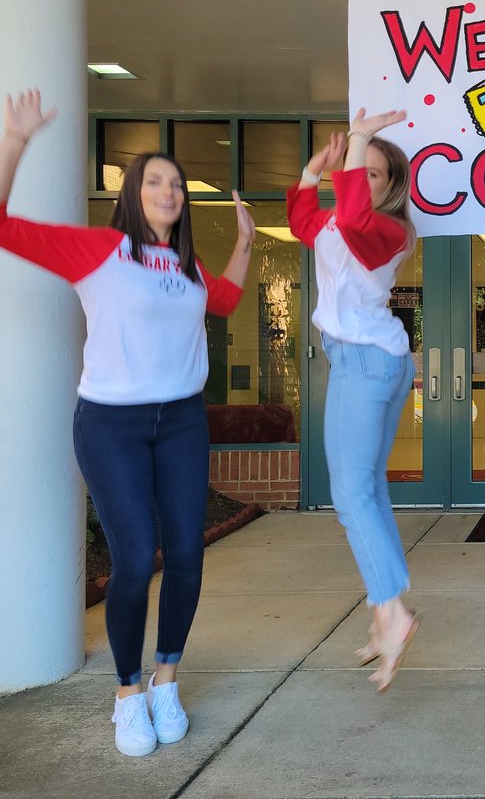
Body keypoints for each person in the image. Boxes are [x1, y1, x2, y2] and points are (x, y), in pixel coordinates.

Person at [0, 90, 254, 756]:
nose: (169, 189)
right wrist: (16, 141)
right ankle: (127, 693)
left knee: (190, 556)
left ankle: (167, 676)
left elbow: (223, 300)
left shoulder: (190, 268)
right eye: (155, 180)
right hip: (111, 424)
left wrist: (249, 243)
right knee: (137, 557)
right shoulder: (97, 250)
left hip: (181, 425)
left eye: (176, 183)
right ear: (132, 194)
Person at [287, 109, 420, 693]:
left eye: (373, 174)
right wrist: (310, 174)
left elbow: (356, 218)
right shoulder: (336, 228)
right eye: (357, 171)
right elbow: (300, 223)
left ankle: (393, 613)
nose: (362, 180)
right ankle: (381, 611)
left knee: (349, 493)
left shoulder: (388, 232)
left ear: (392, 187)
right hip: (372, 359)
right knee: (370, 489)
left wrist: (359, 140)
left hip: (367, 361)